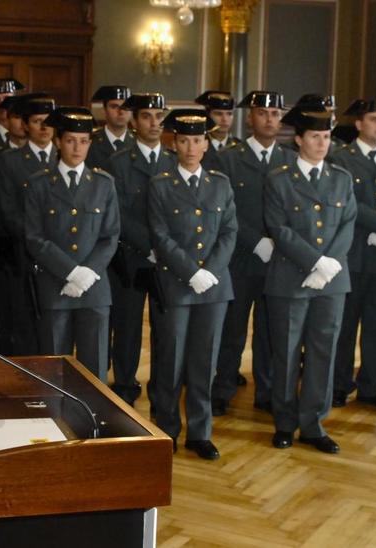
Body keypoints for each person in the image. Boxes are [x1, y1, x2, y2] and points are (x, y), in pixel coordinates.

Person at [262, 104, 355, 454]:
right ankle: (284, 422)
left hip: (332, 282)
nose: (321, 143)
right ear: (299, 139)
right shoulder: (279, 179)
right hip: (290, 278)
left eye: (327, 137)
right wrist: (315, 262)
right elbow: (279, 229)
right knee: (285, 352)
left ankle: (313, 424)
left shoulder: (341, 179)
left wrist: (328, 266)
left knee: (322, 352)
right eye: (315, 137)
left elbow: (348, 225)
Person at [146, 109, 238, 460]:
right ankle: (167, 427)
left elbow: (230, 232)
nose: (190, 147)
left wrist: (210, 271)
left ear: (206, 144)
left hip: (214, 286)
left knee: (204, 360)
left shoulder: (220, 183)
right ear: (174, 142)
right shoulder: (160, 184)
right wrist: (191, 272)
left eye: (197, 140)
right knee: (170, 359)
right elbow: (160, 235)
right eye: (183, 140)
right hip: (176, 283)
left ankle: (200, 431)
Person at [24, 107, 122, 380]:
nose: (77, 147)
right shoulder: (39, 184)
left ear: (90, 143)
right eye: (70, 140)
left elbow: (110, 235)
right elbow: (35, 237)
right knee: (55, 369)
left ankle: (93, 421)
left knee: (95, 368)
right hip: (56, 287)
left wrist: (87, 273)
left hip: (95, 287)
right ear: (57, 141)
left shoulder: (104, 183)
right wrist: (71, 272)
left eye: (83, 141)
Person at [214, 91, 296, 415]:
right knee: (231, 330)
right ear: (250, 118)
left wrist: (278, 241)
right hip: (239, 259)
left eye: (276, 113)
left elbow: (294, 210)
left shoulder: (289, 160)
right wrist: (255, 241)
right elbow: (224, 209)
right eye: (263, 113)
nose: (270, 119)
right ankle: (222, 389)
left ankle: (267, 391)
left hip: (280, 260)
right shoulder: (228, 158)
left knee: (271, 331)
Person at [325, 98, 376, 409]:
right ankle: (338, 383)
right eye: (374, 119)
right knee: (345, 325)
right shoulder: (341, 158)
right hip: (352, 255)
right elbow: (346, 202)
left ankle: (371, 385)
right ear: (359, 124)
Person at [107, 92, 176, 406]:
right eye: (147, 116)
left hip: (168, 259)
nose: (154, 123)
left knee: (166, 328)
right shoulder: (119, 162)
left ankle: (162, 388)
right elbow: (117, 213)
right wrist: (150, 246)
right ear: (133, 122)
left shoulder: (173, 161)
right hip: (131, 258)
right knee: (127, 326)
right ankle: (125, 387)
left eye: (159, 116)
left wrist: (164, 248)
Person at [0, 93, 57, 356]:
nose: (44, 128)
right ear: (26, 125)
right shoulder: (9, 161)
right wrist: (39, 243)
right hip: (24, 255)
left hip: (62, 256)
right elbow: (8, 211)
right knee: (25, 320)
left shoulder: (66, 156)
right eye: (37, 121)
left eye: (48, 122)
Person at [88, 85, 134, 171]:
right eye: (114, 107)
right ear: (104, 110)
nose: (121, 112)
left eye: (126, 107)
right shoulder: (90, 143)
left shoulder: (139, 142)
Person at [195, 90, 241, 172]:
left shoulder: (240, 146)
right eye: (218, 114)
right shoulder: (197, 145)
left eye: (229, 114)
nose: (225, 119)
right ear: (207, 116)